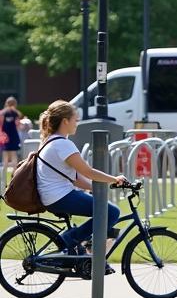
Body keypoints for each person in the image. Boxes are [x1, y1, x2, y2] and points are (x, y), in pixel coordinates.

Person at [34, 100, 127, 253]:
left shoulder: (49, 141)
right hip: (60, 196)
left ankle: (78, 250)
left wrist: (94, 188)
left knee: (105, 209)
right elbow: (87, 171)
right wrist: (115, 179)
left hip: (54, 196)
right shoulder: (63, 144)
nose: (77, 123)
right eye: (75, 120)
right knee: (112, 212)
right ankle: (70, 240)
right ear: (65, 121)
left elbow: (75, 177)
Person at [2, 97, 23, 182]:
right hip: (14, 137)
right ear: (15, 104)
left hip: (5, 138)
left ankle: (3, 179)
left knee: (5, 159)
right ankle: (13, 177)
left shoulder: (3, 113)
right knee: (14, 157)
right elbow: (18, 122)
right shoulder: (15, 113)